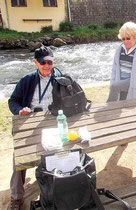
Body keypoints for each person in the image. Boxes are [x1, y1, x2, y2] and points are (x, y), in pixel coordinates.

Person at [8, 45, 60, 210]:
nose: (46, 66)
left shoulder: (60, 78)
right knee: (20, 158)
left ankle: (57, 189)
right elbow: (13, 101)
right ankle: (16, 197)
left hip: (51, 123)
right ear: (35, 63)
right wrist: (19, 110)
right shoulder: (27, 80)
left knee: (60, 152)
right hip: (29, 123)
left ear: (53, 62)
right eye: (42, 62)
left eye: (49, 62)